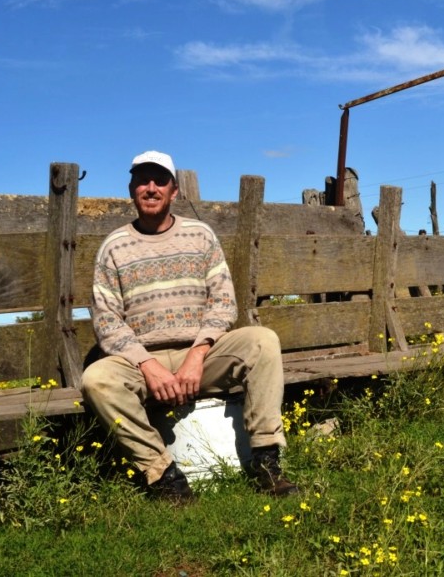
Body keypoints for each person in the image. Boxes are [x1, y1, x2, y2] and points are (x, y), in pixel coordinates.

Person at [81, 150, 298, 501]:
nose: (151, 188)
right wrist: (147, 365)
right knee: (97, 379)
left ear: (174, 190)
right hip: (143, 363)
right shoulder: (113, 247)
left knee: (262, 341)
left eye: (160, 181)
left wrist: (198, 354)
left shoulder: (200, 235)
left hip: (203, 354)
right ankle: (163, 475)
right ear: (132, 189)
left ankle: (266, 461)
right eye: (143, 181)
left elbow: (223, 302)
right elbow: (107, 320)